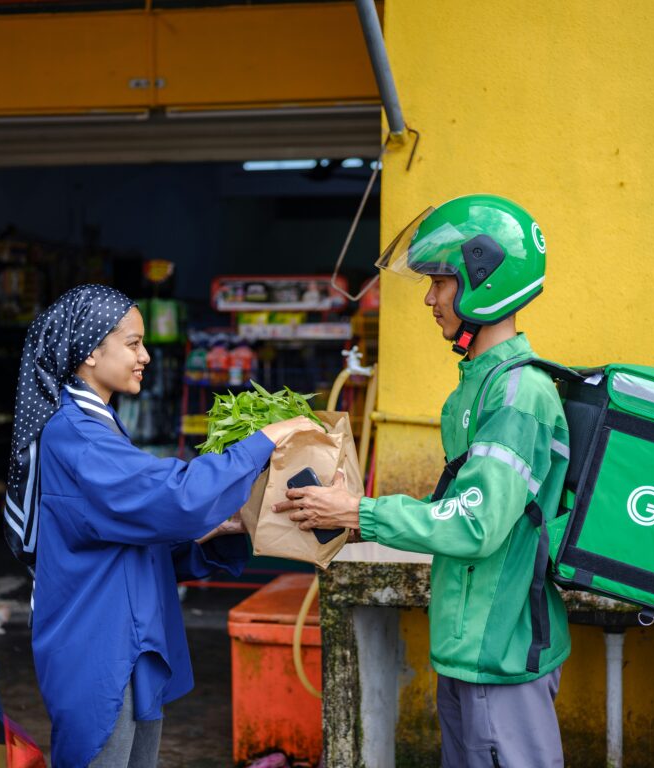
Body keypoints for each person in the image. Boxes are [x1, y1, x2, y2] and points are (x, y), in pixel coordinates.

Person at [273, 195, 570, 767]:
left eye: (440, 281)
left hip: (500, 653)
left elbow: (476, 524)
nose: (430, 298)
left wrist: (360, 512)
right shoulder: (479, 387)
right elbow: (456, 504)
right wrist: (349, 516)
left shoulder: (516, 394)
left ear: (484, 280)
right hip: (471, 648)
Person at [3, 285, 310, 768]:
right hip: (99, 644)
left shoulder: (96, 424)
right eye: (132, 343)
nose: (145, 356)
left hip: (125, 636)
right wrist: (263, 441)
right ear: (88, 351)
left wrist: (221, 526)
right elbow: (171, 495)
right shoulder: (75, 433)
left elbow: (130, 528)